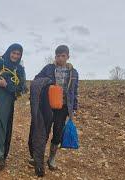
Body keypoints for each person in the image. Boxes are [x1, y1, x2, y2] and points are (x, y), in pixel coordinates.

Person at [28, 45, 79, 177]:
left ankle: (51, 158)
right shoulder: (48, 68)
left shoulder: (74, 73)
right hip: (47, 105)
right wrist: (47, 83)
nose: (60, 58)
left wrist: (73, 108)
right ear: (55, 56)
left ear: (68, 56)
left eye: (63, 56)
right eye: (58, 56)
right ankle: (37, 157)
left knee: (57, 133)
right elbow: (36, 80)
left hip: (62, 108)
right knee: (43, 130)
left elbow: (74, 92)